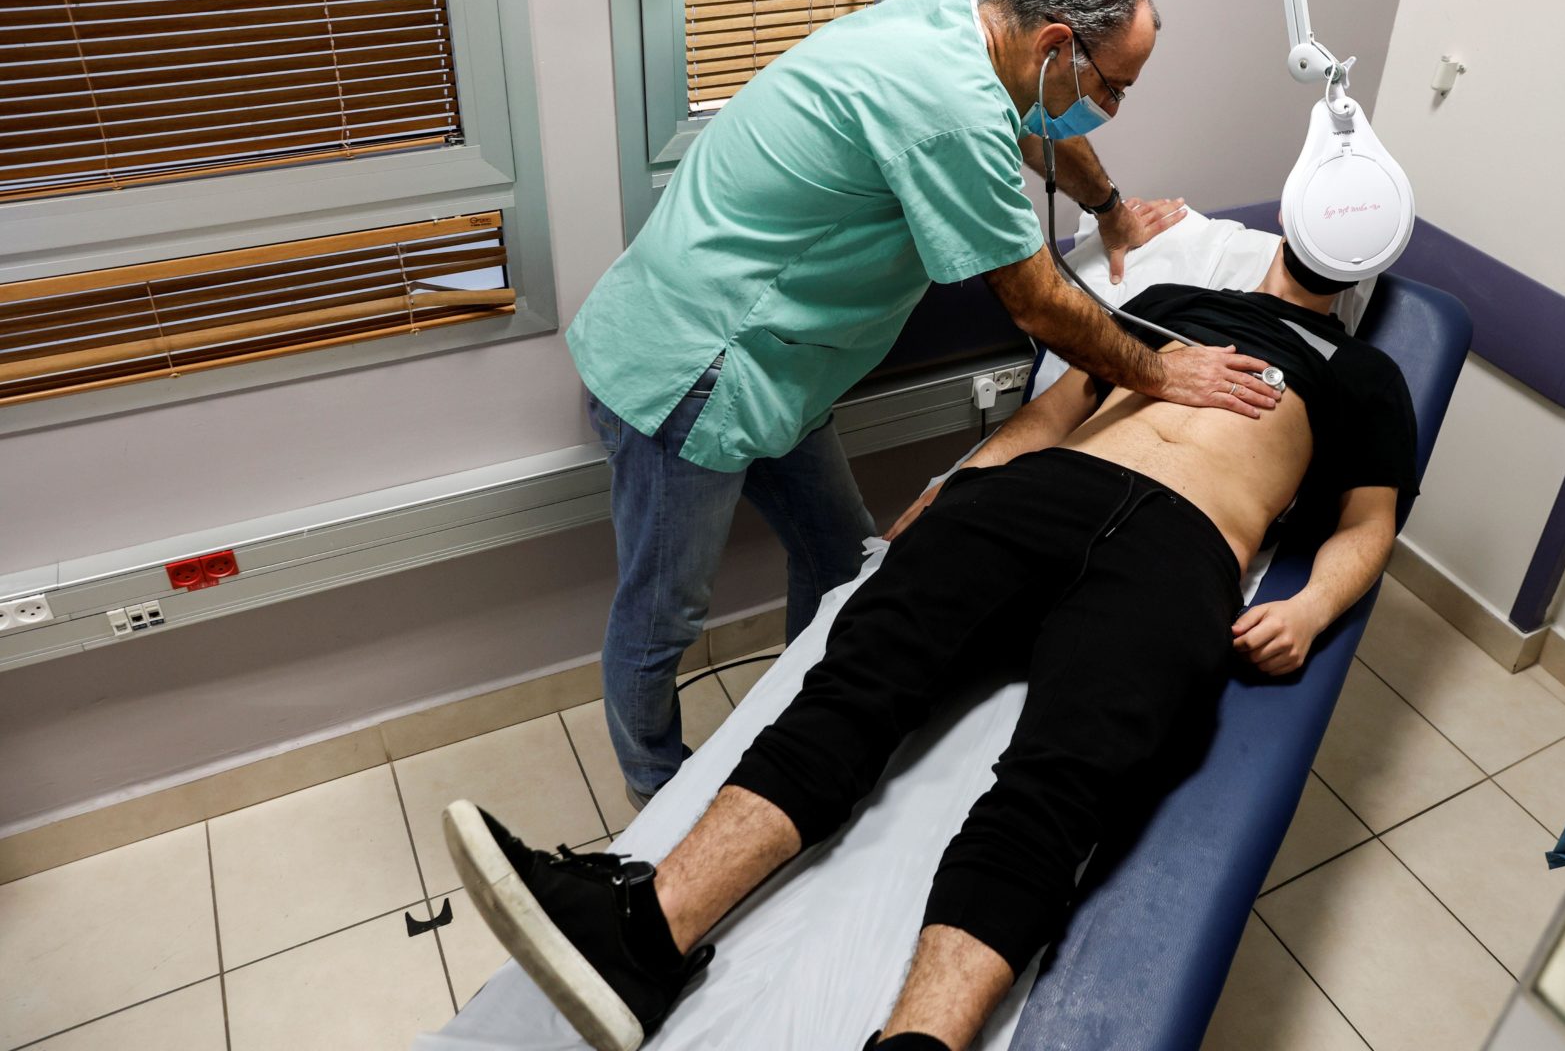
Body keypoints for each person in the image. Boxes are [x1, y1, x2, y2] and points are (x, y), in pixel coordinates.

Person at [446, 225, 1418, 1051]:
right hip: (1038, 495)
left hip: (1185, 545)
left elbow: (1367, 521)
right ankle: (643, 935)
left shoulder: (1368, 377)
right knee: (857, 680)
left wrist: (1307, 606)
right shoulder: (1168, 295)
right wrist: (964, 478)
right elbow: (1055, 408)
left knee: (1062, 780)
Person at [567, 0, 1284, 810]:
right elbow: (1039, 305)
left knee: (841, 558)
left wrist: (1109, 210)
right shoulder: (949, 107)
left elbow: (1030, 121)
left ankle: (797, 735)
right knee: (662, 616)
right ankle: (655, 792)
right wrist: (1163, 373)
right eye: (1111, 87)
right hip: (693, 369)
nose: (1112, 108)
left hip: (779, 370)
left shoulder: (955, 27)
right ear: (1055, 43)